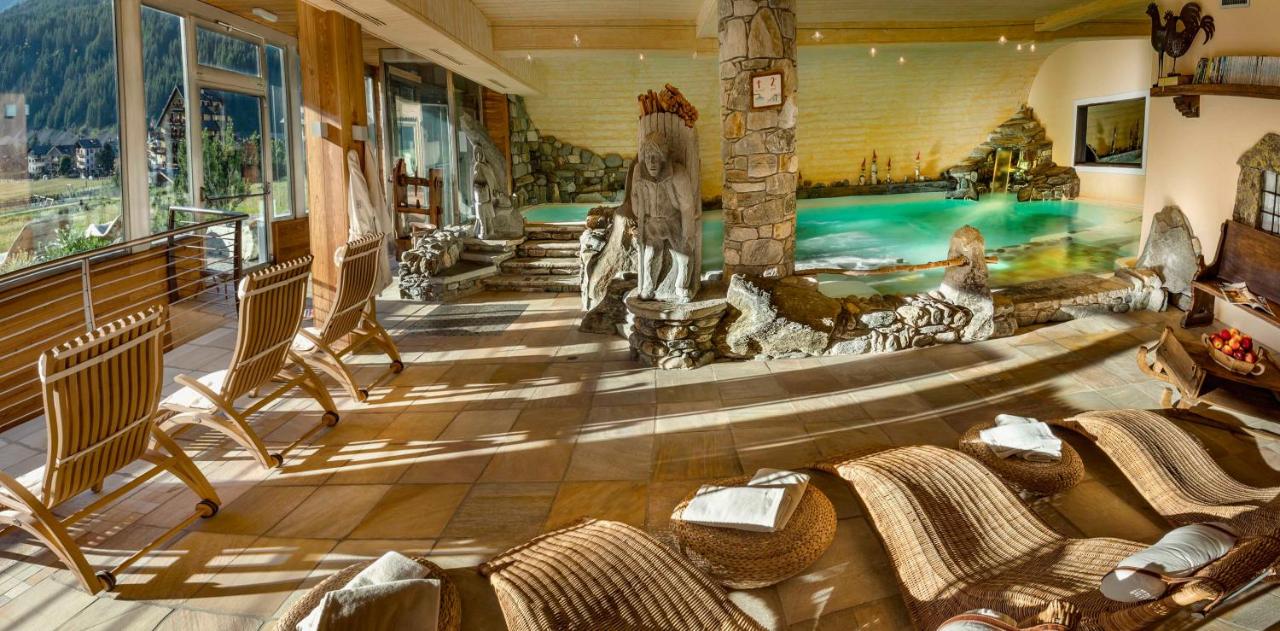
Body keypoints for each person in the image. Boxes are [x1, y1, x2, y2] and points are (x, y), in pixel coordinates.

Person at [632, 131, 696, 302]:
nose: (651, 161)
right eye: (648, 156)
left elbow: (687, 206)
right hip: (652, 222)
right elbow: (635, 197)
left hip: (672, 220)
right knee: (650, 255)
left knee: (683, 254)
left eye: (655, 156)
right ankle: (648, 286)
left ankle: (682, 287)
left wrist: (688, 232)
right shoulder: (639, 172)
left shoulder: (678, 173)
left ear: (663, 157)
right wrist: (639, 213)